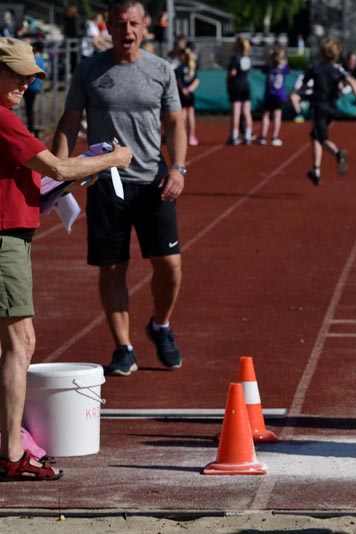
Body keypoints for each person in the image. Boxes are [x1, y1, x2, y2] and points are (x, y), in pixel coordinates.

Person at [0, 37, 131, 479]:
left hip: (11, 234)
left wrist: (71, 177)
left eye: (31, 75)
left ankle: (10, 443)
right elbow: (57, 168)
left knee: (15, 342)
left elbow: (46, 177)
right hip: (4, 240)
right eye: (17, 74)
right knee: (21, 342)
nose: (26, 83)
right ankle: (12, 452)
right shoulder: (3, 120)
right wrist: (112, 158)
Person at [52, 0, 187, 377]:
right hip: (105, 183)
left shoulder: (161, 70)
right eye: (119, 23)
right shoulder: (89, 70)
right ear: (107, 27)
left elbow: (175, 123)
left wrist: (178, 168)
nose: (127, 31)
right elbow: (69, 121)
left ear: (145, 27)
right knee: (112, 267)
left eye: (133, 23)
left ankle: (160, 325)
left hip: (153, 181)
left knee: (170, 265)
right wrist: (56, 171)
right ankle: (123, 347)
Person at [301, 38, 356, 186]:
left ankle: (337, 153)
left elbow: (302, 87)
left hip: (319, 106)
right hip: (331, 108)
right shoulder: (338, 69)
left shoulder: (315, 69)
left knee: (322, 139)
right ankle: (316, 170)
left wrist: (305, 93)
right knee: (315, 135)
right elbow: (352, 82)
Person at [257, 47, 290, 146]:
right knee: (277, 115)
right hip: (279, 95)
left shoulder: (269, 66)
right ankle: (274, 137)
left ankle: (263, 137)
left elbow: (263, 70)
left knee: (266, 115)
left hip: (269, 94)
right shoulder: (283, 67)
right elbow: (288, 70)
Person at [226, 35, 253, 146]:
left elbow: (233, 72)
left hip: (236, 85)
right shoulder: (247, 57)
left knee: (236, 111)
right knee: (246, 111)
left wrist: (228, 80)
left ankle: (235, 135)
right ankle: (247, 135)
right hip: (246, 85)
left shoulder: (235, 57)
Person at [175, 46, 199, 146]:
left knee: (183, 114)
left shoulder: (179, 68)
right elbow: (196, 80)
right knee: (191, 115)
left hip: (182, 94)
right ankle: (191, 136)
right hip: (190, 94)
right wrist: (190, 89)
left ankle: (184, 135)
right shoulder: (192, 67)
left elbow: (178, 81)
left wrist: (183, 90)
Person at [22, 40, 45, 137]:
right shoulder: (42, 60)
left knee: (29, 109)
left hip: (29, 87)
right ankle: (30, 129)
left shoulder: (34, 59)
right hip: (35, 87)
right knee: (29, 109)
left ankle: (30, 130)